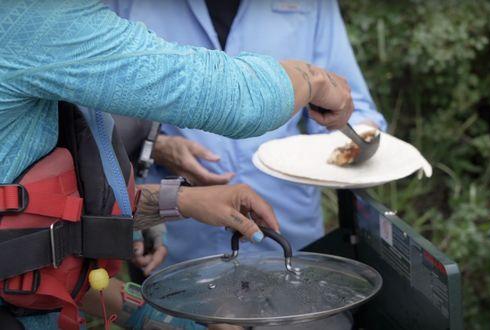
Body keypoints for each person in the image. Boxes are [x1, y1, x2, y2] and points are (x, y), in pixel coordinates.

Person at [0, 1, 355, 328]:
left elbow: (39, 238)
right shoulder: (33, 18)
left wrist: (175, 202)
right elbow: (238, 98)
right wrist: (314, 79)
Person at [106, 0, 387, 270]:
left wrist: (360, 135)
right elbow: (91, 108)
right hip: (175, 237)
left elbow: (351, 104)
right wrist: (154, 145)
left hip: (287, 229)